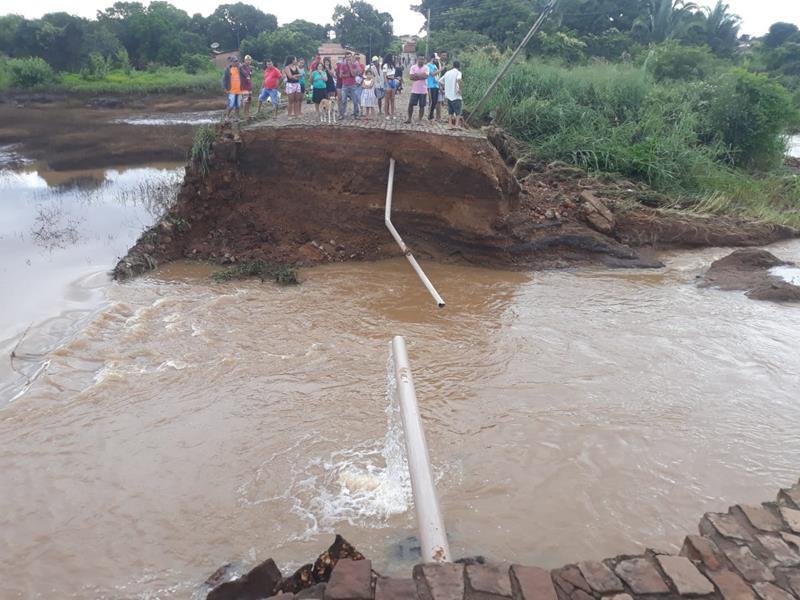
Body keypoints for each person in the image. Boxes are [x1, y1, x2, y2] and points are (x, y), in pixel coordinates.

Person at [404, 54, 429, 124]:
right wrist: (421, 76)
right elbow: (411, 77)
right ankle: (409, 118)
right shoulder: (413, 67)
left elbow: (426, 76)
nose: (421, 61)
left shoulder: (426, 68)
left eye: (423, 59)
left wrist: (416, 75)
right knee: (410, 104)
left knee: (422, 106)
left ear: (424, 60)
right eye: (420, 59)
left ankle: (420, 120)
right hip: (414, 90)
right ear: (417, 59)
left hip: (423, 90)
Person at [336, 52, 360, 119]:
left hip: (353, 85)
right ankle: (342, 115)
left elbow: (353, 75)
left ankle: (356, 114)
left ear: (351, 57)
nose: (348, 58)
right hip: (345, 85)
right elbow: (340, 75)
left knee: (355, 100)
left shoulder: (354, 65)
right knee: (343, 100)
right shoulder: (342, 65)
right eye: (347, 57)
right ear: (345, 58)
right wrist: (347, 75)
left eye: (349, 56)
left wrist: (350, 66)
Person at [440, 59, 463, 127]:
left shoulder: (447, 72)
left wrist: (445, 87)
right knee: (458, 112)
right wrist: (460, 89)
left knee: (450, 111)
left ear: (453, 66)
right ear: (459, 66)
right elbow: (459, 79)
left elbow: (440, 81)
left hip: (448, 95)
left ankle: (450, 124)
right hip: (456, 95)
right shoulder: (458, 72)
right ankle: (456, 125)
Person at [222, 55, 243, 120]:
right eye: (235, 61)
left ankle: (236, 117)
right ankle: (227, 116)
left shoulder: (240, 69)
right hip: (231, 90)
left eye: (237, 61)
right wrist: (225, 88)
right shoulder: (228, 69)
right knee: (231, 105)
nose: (236, 62)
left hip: (239, 90)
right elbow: (224, 80)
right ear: (231, 62)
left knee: (238, 105)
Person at [425, 54, 441, 121]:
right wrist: (440, 69)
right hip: (430, 85)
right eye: (436, 59)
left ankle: (431, 114)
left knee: (435, 101)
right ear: (432, 58)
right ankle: (430, 114)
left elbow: (437, 75)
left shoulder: (435, 66)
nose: (437, 60)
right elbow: (432, 74)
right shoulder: (428, 65)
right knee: (432, 101)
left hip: (436, 85)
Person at [382, 54, 397, 120]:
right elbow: (384, 76)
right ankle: (386, 114)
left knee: (392, 99)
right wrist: (387, 84)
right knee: (387, 100)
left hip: (393, 81)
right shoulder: (385, 65)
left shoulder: (393, 65)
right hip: (388, 81)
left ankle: (392, 114)